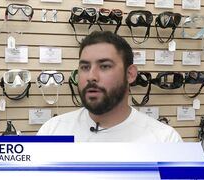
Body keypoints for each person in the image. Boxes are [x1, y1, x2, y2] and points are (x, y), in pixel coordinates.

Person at [37, 31, 182, 143]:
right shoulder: (52, 132)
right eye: (85, 67)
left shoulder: (165, 140)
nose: (91, 76)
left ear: (130, 74)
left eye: (105, 66)